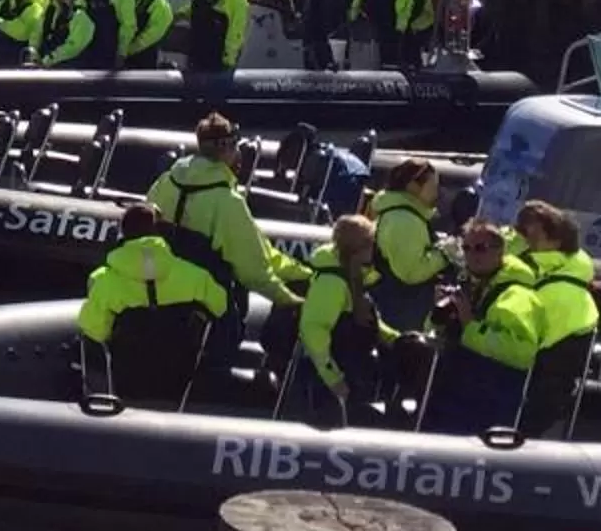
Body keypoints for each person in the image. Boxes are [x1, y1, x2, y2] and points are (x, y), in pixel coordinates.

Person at [145, 113, 311, 313]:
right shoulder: (228, 202)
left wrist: (300, 272)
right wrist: (289, 299)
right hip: (204, 302)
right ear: (227, 149)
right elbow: (254, 271)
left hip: (157, 291)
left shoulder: (164, 182)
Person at [77, 203, 229, 407]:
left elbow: (95, 332)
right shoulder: (196, 276)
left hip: (127, 381)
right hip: (178, 379)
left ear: (122, 235)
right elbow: (221, 307)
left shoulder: (103, 281)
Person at [422, 219, 538, 434]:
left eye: (481, 248)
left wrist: (470, 325)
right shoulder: (470, 285)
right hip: (450, 395)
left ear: (500, 251)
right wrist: (440, 312)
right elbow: (434, 331)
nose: (472, 255)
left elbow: (523, 353)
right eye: (466, 248)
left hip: (487, 406)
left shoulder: (517, 296)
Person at [511, 200, 601, 437]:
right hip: (563, 348)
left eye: (533, 233)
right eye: (522, 230)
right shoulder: (571, 267)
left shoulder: (539, 274)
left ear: (557, 240)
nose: (527, 238)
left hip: (547, 354)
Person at [295, 212, 386, 427]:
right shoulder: (332, 282)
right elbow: (313, 330)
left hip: (348, 370)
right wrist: (334, 379)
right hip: (327, 381)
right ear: (360, 249)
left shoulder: (353, 276)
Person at [367, 157, 449, 332]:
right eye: (432, 186)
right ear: (413, 186)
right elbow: (410, 272)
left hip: (396, 308)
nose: (437, 192)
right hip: (399, 311)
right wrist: (443, 255)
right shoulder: (404, 221)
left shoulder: (402, 215)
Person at [178, 0, 250, 76]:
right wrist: (177, 16)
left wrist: (229, 57)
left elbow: (237, 27)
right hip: (196, 48)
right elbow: (193, 6)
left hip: (218, 54)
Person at [120, 0, 175, 68]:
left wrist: (130, 49)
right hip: (125, 53)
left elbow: (154, 32)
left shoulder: (158, 2)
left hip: (145, 55)